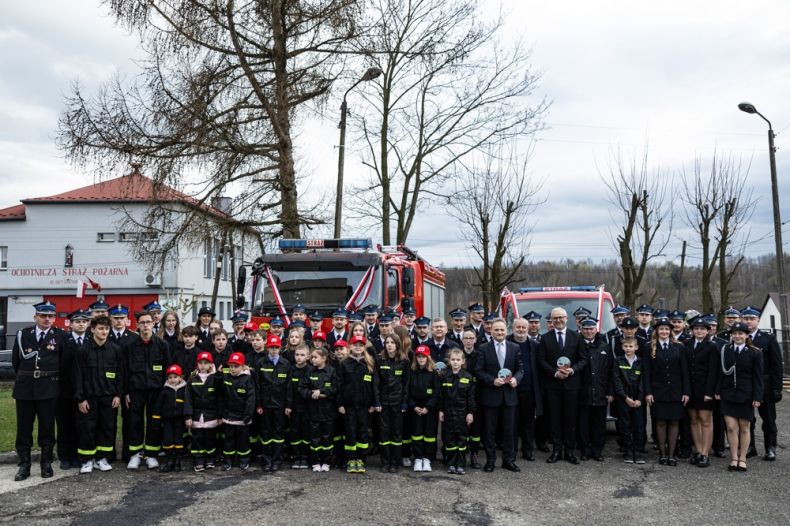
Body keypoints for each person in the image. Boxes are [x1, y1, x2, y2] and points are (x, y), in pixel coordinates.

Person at [12, 301, 65, 481]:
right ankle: (24, 465)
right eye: (43, 316)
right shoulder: (23, 334)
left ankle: (46, 462)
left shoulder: (60, 336)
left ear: (54, 318)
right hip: (25, 388)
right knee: (24, 428)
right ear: (35, 317)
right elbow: (16, 362)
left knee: (47, 428)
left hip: (49, 388)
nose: (47, 319)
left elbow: (63, 362)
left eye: (50, 316)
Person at [72, 315, 122, 474]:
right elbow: (77, 376)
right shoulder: (83, 351)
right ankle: (87, 460)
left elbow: (120, 374)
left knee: (106, 428)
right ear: (92, 329)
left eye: (107, 329)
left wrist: (118, 395)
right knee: (87, 428)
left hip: (108, 398)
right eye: (100, 328)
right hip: (89, 399)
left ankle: (102, 458)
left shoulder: (115, 350)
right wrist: (81, 398)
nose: (104, 332)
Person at [538, 307, 587, 465]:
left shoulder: (576, 337)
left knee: (571, 419)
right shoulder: (545, 338)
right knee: (555, 419)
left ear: (567, 318)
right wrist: (554, 373)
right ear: (551, 320)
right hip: (553, 385)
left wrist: (572, 370)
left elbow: (583, 359)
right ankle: (557, 450)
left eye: (561, 317)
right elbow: (541, 360)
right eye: (555, 318)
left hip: (572, 386)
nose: (558, 320)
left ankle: (570, 451)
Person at [124, 310, 171, 470]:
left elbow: (167, 369)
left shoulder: (162, 345)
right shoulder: (130, 346)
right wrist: (126, 392)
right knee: (134, 422)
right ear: (137, 325)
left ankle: (151, 454)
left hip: (156, 390)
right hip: (136, 390)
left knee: (154, 422)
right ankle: (135, 455)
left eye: (148, 322)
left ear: (153, 323)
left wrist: (165, 390)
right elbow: (125, 371)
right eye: (142, 322)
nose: (145, 325)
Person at [476, 318, 523, 472]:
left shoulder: (514, 347)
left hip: (509, 396)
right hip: (491, 396)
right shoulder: (483, 348)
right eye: (496, 330)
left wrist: (516, 379)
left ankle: (508, 460)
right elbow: (479, 371)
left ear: (506, 331)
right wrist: (491, 381)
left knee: (509, 430)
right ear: (491, 331)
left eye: (502, 330)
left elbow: (520, 369)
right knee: (489, 431)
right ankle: (490, 461)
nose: (499, 332)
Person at [717, 322, 763, 472]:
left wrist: (757, 396)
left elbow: (758, 377)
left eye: (741, 333)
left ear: (746, 335)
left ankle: (742, 458)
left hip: (746, 395)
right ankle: (733, 458)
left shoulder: (755, 352)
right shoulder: (725, 350)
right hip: (728, 393)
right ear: (731, 335)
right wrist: (717, 390)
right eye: (734, 333)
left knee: (744, 428)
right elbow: (720, 373)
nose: (737, 336)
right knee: (730, 427)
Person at [644, 318, 690, 466]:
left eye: (666, 329)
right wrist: (648, 392)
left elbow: (684, 371)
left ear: (671, 331)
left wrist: (686, 392)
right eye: (661, 329)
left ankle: (672, 454)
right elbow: (646, 372)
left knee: (675, 422)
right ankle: (662, 454)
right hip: (658, 391)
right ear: (656, 331)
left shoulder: (679, 347)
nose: (664, 332)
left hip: (676, 391)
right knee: (661, 422)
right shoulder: (649, 347)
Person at [740, 306, 783, 461]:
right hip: (746, 385)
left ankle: (770, 447)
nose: (749, 322)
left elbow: (777, 365)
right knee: (747, 419)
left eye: (752, 319)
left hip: (765, 385)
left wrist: (777, 388)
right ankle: (750, 446)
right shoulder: (739, 337)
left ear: (758, 320)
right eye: (746, 318)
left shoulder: (768, 339)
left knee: (769, 419)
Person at [337, 334, 381, 474]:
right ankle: (351, 459)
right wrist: (340, 404)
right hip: (349, 406)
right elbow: (339, 385)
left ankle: (361, 459)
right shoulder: (344, 363)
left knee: (363, 433)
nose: (357, 347)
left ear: (364, 347)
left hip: (365, 406)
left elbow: (375, 385)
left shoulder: (369, 363)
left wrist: (374, 402)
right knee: (350, 432)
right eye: (355, 345)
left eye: (360, 345)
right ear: (350, 346)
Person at [685, 316, 719, 468]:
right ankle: (698, 451)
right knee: (693, 419)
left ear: (707, 331)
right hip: (691, 389)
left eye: (702, 329)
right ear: (692, 330)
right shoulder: (687, 344)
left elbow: (713, 371)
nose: (699, 331)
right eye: (696, 329)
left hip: (705, 389)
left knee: (705, 420)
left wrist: (710, 392)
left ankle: (705, 453)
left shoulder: (712, 347)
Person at [58, 309, 90, 470]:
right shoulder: (63, 340)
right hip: (65, 390)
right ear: (71, 324)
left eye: (84, 321)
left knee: (81, 424)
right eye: (77, 321)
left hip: (85, 390)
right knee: (65, 424)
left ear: (88, 323)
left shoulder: (91, 340)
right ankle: (65, 456)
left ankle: (78, 455)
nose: (81, 324)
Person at [255, 334, 291, 472]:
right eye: (271, 347)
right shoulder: (261, 363)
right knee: (266, 433)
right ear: (267, 347)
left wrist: (288, 406)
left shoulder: (286, 364)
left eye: (276, 347)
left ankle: (277, 460)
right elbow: (257, 385)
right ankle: (266, 460)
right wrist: (258, 404)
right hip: (265, 405)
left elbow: (288, 387)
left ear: (280, 348)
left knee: (278, 433)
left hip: (280, 406)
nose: (274, 350)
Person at [577, 317, 612, 462]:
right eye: (585, 329)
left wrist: (610, 392)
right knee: (583, 424)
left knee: (599, 424)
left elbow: (610, 371)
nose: (589, 331)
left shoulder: (604, 347)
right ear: (581, 330)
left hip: (601, 392)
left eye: (591, 329)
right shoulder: (577, 346)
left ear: (596, 329)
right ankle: (585, 450)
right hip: (582, 392)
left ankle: (597, 451)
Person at [508, 318, 543, 462]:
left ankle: (528, 451)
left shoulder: (534, 345)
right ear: (513, 328)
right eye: (518, 327)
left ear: (527, 329)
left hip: (529, 390)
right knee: (512, 422)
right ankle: (512, 451)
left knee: (528, 422)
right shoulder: (507, 343)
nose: (521, 330)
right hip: (510, 389)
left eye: (523, 327)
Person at [184, 351, 223, 472]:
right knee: (197, 439)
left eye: (206, 363)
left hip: (211, 416)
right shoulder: (192, 379)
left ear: (211, 365)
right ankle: (198, 460)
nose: (203, 365)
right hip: (196, 417)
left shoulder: (215, 378)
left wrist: (220, 415)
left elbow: (220, 397)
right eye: (200, 363)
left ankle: (210, 459)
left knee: (210, 439)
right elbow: (188, 399)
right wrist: (188, 416)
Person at [376, 334, 410, 473]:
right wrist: (377, 401)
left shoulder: (404, 361)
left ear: (397, 345)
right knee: (384, 432)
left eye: (392, 342)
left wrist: (404, 403)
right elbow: (376, 383)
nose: (389, 345)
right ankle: (385, 462)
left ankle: (395, 462)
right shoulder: (379, 360)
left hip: (398, 402)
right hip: (383, 402)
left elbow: (406, 384)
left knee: (396, 432)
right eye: (387, 342)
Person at [439, 348, 476, 475]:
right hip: (448, 413)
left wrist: (470, 413)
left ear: (463, 361)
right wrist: (440, 411)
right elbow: (441, 396)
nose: (455, 362)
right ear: (449, 361)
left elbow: (471, 397)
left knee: (461, 439)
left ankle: (461, 465)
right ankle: (451, 464)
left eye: (458, 360)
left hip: (462, 414)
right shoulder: (444, 376)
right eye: (453, 360)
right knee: (449, 440)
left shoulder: (467, 377)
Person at [301, 348, 337, 472]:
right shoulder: (309, 371)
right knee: (314, 437)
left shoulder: (332, 371)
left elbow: (335, 388)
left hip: (328, 411)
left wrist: (322, 392)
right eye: (311, 357)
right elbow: (302, 388)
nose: (312, 360)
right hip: (313, 411)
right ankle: (315, 462)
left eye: (315, 357)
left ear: (324, 358)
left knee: (327, 436)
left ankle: (326, 462)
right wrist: (311, 393)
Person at [612, 337, 646, 464]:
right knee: (625, 426)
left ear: (636, 347)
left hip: (638, 400)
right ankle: (627, 452)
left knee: (639, 426)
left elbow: (643, 382)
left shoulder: (641, 362)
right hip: (623, 399)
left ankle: (638, 452)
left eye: (631, 346)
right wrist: (625, 397)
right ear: (622, 347)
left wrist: (639, 399)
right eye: (626, 346)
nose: (628, 349)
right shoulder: (618, 361)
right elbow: (616, 381)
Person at [221, 352, 256, 470]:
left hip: (242, 418)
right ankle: (228, 460)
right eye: (231, 366)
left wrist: (248, 415)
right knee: (228, 441)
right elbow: (220, 395)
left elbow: (251, 399)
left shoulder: (247, 379)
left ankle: (244, 460)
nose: (233, 369)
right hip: (229, 417)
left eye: (236, 366)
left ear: (242, 366)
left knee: (243, 441)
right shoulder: (226, 377)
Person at [409, 345, 439, 472]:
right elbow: (408, 391)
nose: (421, 359)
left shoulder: (434, 373)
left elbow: (437, 392)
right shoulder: (412, 371)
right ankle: (418, 458)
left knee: (429, 435)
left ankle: (427, 459)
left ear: (428, 358)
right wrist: (414, 406)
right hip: (415, 408)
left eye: (423, 357)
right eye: (419, 357)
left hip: (429, 409)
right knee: (416, 434)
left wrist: (428, 407)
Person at [153, 364, 188, 472]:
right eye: (170, 377)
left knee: (179, 440)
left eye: (175, 377)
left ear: (180, 377)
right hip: (167, 420)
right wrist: (156, 420)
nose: (173, 380)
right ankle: (169, 460)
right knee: (168, 440)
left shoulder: (185, 391)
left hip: (179, 420)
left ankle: (178, 460)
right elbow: (158, 407)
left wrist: (188, 417)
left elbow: (188, 405)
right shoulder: (164, 391)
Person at [460, 329, 483, 467]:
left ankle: (474, 455)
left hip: (476, 396)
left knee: (476, 429)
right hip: (460, 397)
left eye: (471, 338)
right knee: (462, 427)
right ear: (462, 340)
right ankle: (461, 454)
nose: (468, 340)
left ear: (475, 340)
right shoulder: (458, 356)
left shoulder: (480, 355)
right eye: (466, 338)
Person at [287, 344, 311, 469]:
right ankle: (296, 457)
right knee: (295, 433)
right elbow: (288, 389)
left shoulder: (310, 370)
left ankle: (305, 458)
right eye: (297, 355)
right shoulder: (291, 369)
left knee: (306, 433)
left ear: (308, 356)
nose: (299, 358)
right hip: (295, 407)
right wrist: (288, 406)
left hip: (307, 407)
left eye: (302, 355)